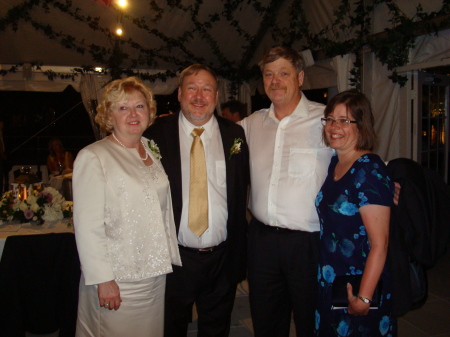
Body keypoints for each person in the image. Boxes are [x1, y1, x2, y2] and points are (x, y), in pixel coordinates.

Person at [144, 64, 249, 337]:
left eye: (207, 89)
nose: (199, 96)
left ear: (216, 96)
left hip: (222, 258)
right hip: (175, 259)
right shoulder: (155, 135)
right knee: (171, 327)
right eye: (192, 88)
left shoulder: (235, 135)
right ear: (179, 94)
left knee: (216, 328)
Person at [73, 76, 181, 337]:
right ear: (109, 115)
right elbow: (87, 225)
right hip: (118, 278)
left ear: (150, 111)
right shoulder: (94, 156)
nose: (133, 114)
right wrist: (103, 279)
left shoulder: (148, 149)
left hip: (155, 273)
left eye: (140, 106)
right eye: (123, 108)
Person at [239, 46, 334, 337]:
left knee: (312, 322)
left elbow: (358, 156)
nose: (275, 80)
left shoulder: (326, 120)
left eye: (283, 73)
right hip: (262, 241)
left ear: (301, 77)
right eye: (269, 74)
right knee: (266, 322)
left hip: (309, 244)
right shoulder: (250, 124)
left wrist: (386, 180)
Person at [315, 90, 396, 335]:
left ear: (361, 126)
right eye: (330, 119)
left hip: (359, 285)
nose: (334, 126)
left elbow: (379, 244)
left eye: (344, 120)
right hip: (332, 280)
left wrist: (364, 298)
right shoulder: (336, 163)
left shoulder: (369, 170)